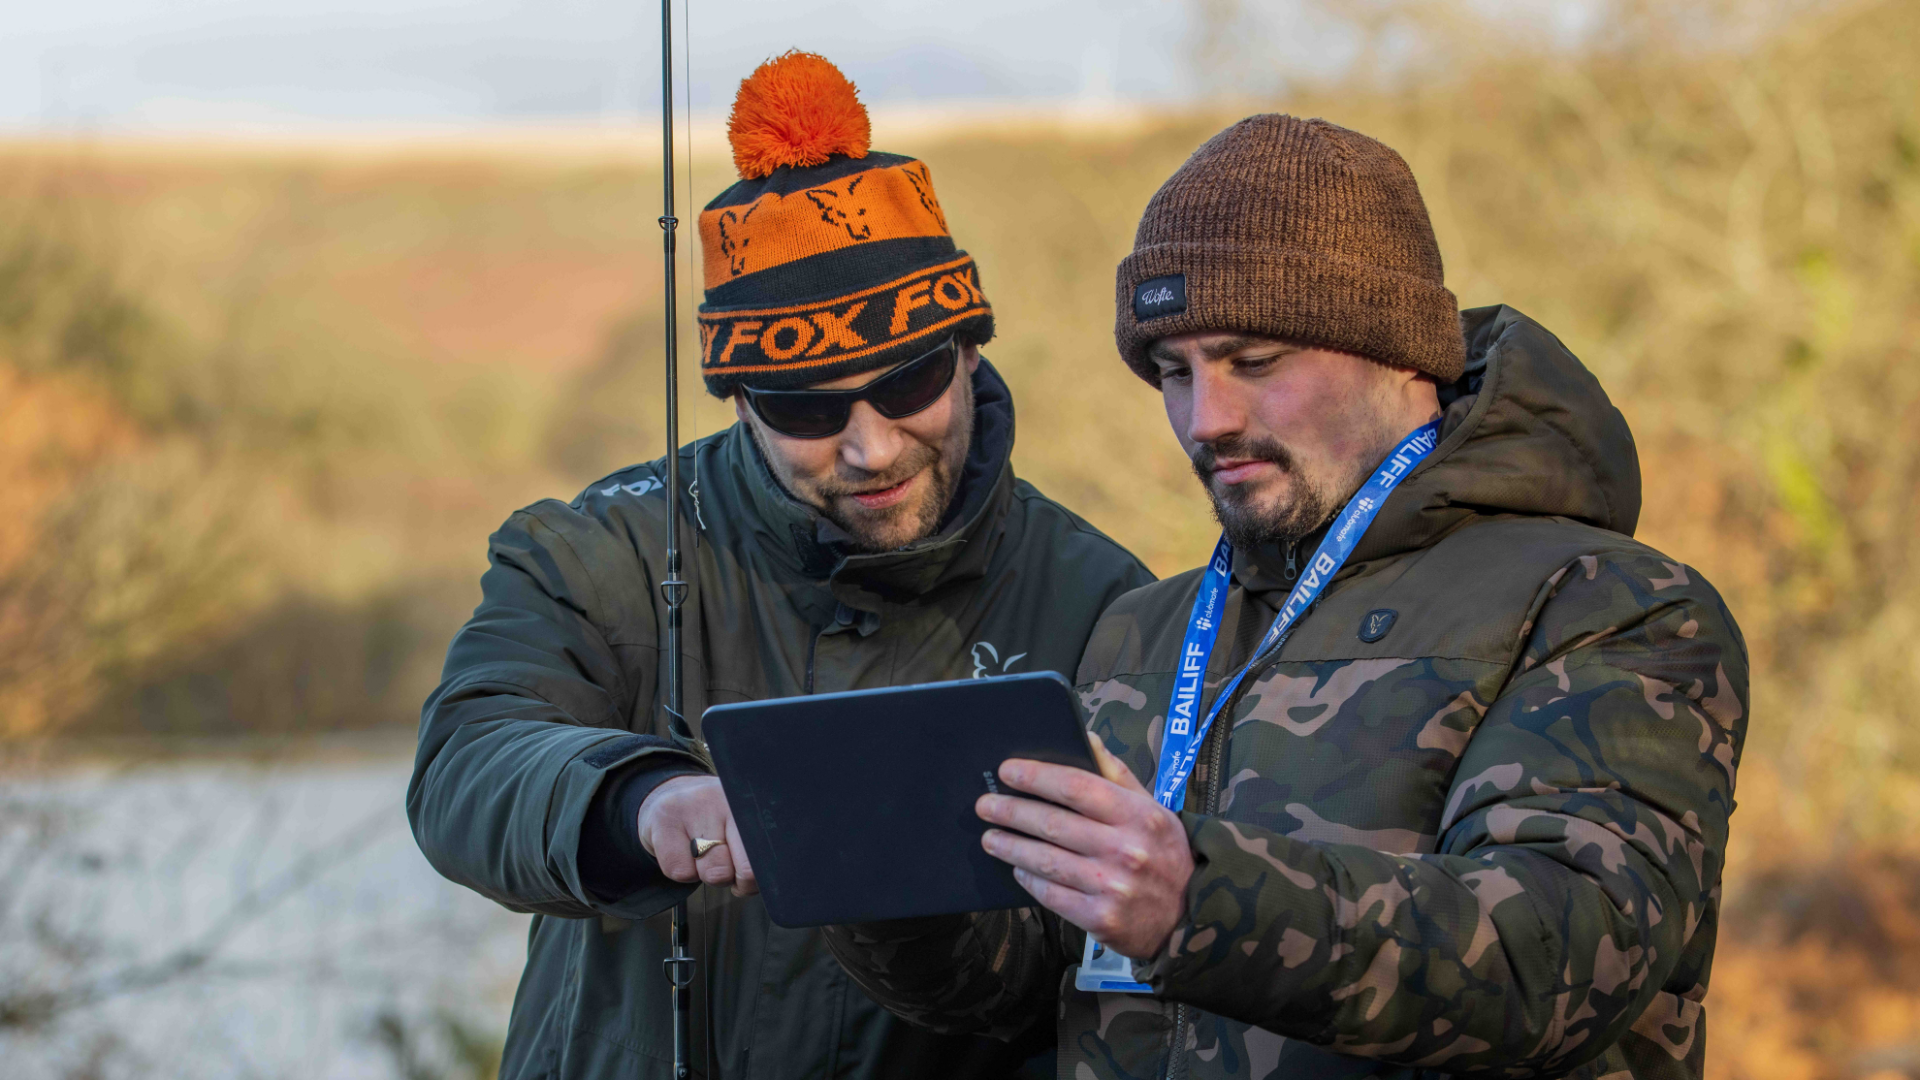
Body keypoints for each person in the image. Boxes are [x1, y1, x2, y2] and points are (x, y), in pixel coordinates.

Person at [824, 115, 1748, 1080]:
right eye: (1173, 373)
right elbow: (1027, 983)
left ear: (1399, 351)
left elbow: (1563, 960)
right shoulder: (1147, 626)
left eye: (1252, 362)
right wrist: (878, 883)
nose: (1206, 419)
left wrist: (1198, 901)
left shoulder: (1611, 606)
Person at [406, 52, 1151, 1080]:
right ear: (741, 401)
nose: (872, 447)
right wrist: (643, 803)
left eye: (910, 382)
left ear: (969, 350)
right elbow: (464, 764)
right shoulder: (597, 547)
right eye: (807, 409)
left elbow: (1096, 966)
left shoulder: (1108, 601)